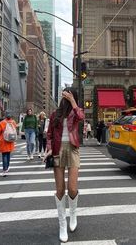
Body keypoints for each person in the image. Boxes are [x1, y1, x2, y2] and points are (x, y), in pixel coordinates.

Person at [44, 87, 84, 243]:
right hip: (57, 150)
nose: (66, 98)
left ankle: (73, 214)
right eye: (65, 96)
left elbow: (81, 116)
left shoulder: (75, 112)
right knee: (60, 189)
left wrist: (73, 101)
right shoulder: (55, 114)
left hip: (73, 150)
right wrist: (48, 149)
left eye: (69, 96)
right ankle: (62, 224)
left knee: (72, 188)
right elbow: (49, 134)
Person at [0, 110, 17, 177]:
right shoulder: (13, 122)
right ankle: (7, 167)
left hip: (3, 140)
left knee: (4, 155)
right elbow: (15, 129)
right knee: (8, 154)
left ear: (5, 115)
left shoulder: (2, 123)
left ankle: (5, 169)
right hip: (10, 141)